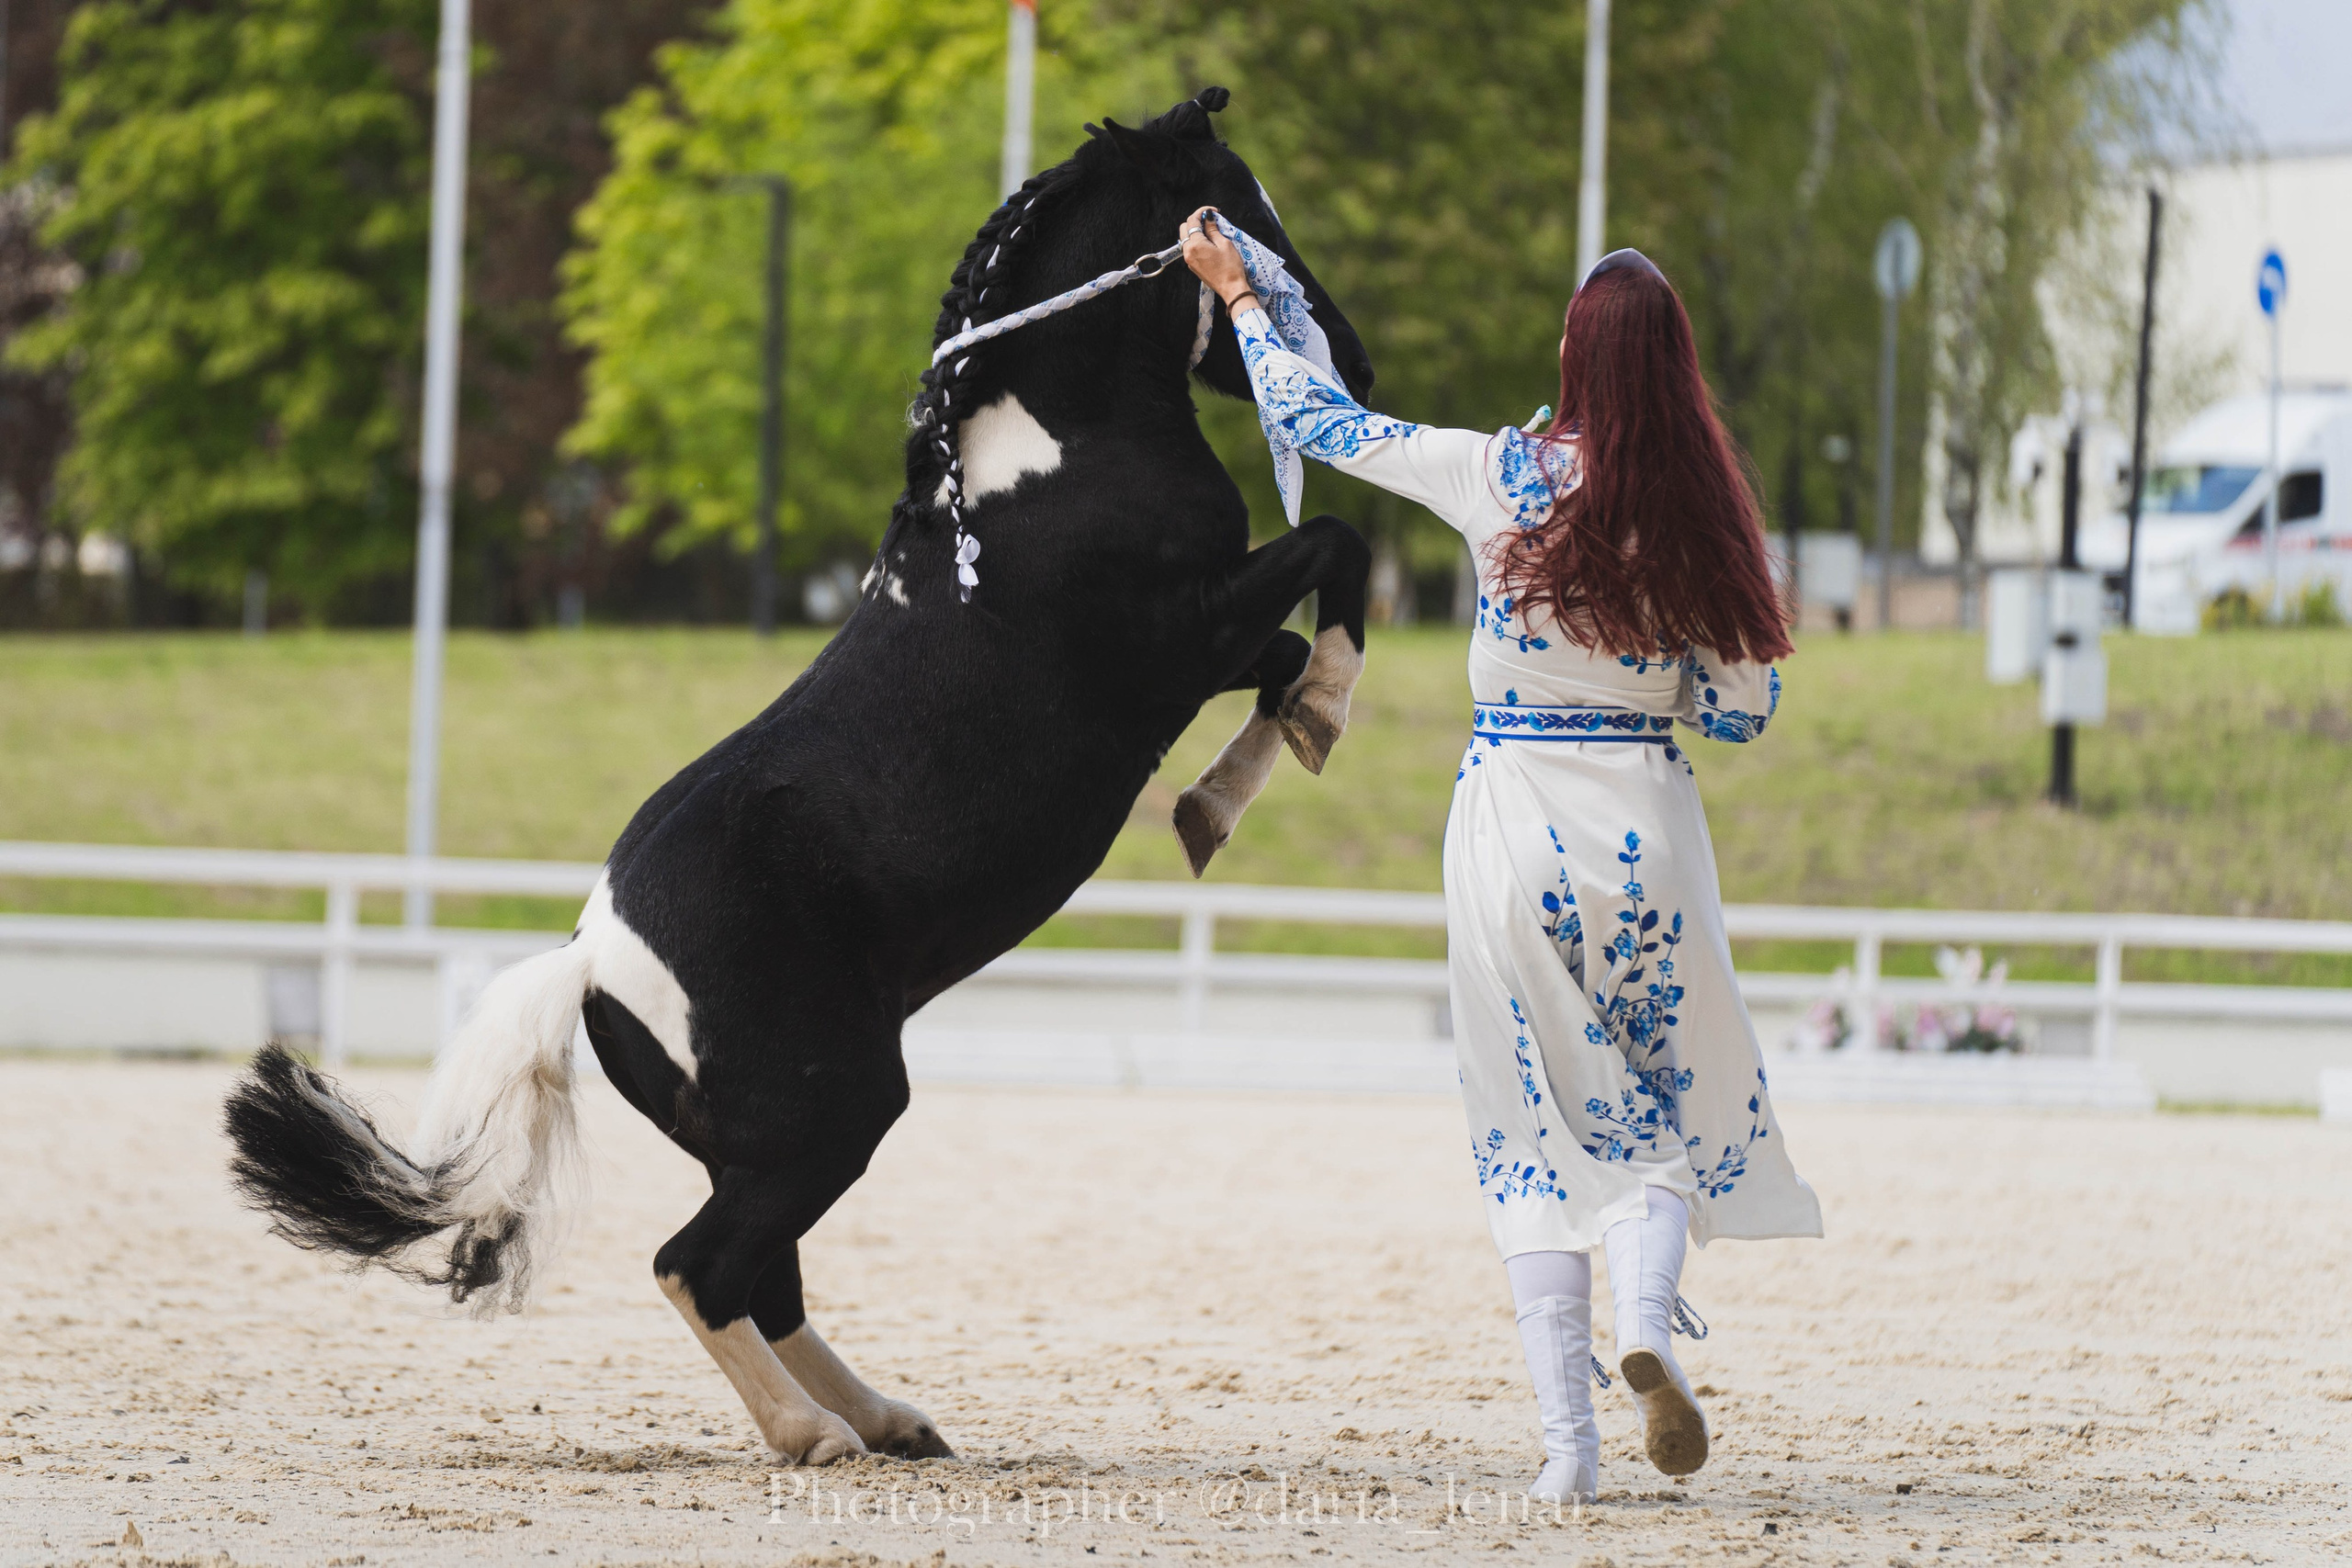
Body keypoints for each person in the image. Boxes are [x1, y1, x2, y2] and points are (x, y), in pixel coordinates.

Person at [1180, 209, 1824, 1505]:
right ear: (1678, 369)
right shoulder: (1710, 523)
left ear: (1577, 356)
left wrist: (1243, 295)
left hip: (1513, 820)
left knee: (1530, 1124)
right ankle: (1645, 1313)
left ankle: (1566, 1454)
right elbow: (1745, 713)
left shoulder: (1499, 473)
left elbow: (1320, 425)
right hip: (1646, 832)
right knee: (1647, 1102)